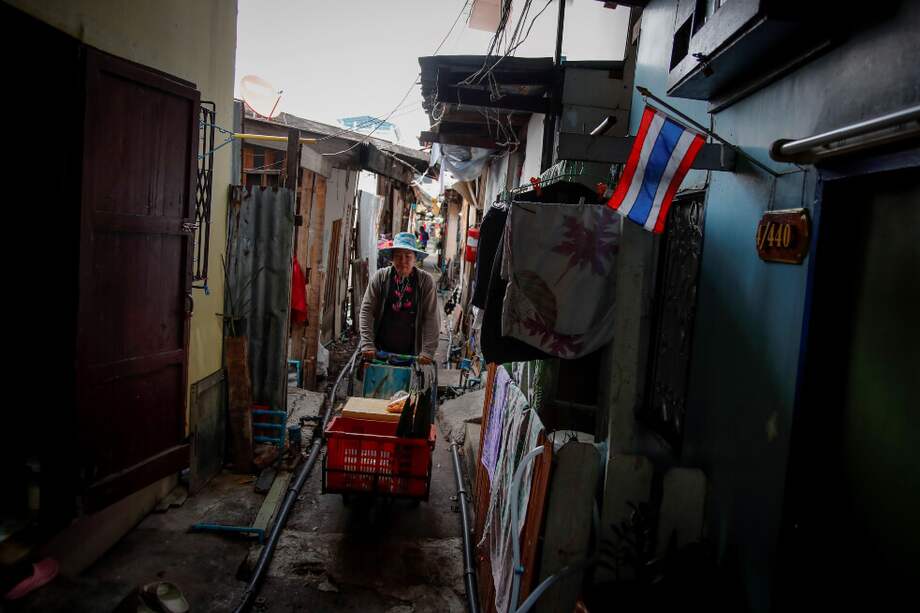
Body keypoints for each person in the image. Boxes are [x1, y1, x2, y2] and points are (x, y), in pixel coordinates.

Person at [360, 232, 440, 364]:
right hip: (380, 352)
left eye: (408, 256)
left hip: (412, 354)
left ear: (415, 259)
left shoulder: (425, 282)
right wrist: (367, 344)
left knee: (407, 384)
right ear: (391, 258)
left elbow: (431, 317)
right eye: (398, 256)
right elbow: (366, 311)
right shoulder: (380, 278)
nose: (403, 261)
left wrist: (428, 351)